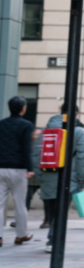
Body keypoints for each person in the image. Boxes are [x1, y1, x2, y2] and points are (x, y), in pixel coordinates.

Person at [38, 103, 84, 253]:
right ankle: (53, 241)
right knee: (61, 211)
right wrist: (81, 177)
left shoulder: (46, 131)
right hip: (67, 179)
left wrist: (41, 176)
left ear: (61, 111)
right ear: (76, 114)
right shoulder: (78, 131)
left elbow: (36, 154)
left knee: (52, 211)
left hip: (48, 176)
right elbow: (82, 156)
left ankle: (51, 240)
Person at [0, 96, 34, 247]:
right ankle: (21, 235)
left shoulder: (1, 124)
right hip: (19, 169)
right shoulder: (26, 125)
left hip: (1, 168)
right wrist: (30, 168)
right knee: (20, 204)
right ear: (23, 108)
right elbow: (27, 148)